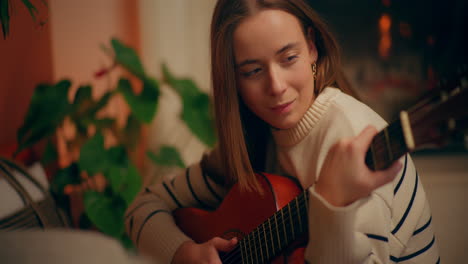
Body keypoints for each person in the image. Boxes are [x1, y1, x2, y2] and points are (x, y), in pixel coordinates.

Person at [125, 0, 439, 263]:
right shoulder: (253, 140)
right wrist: (184, 253)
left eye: (289, 58)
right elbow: (141, 208)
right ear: (232, 80)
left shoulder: (355, 136)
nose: (276, 87)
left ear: (312, 48)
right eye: (252, 71)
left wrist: (332, 205)